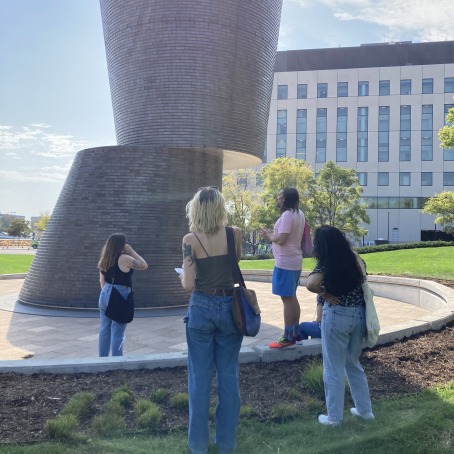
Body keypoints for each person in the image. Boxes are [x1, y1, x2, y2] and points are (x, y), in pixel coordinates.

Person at [180, 186, 243, 454]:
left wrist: (183, 275)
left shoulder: (190, 240)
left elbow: (188, 285)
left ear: (195, 208)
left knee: (199, 378)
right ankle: (226, 444)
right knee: (229, 377)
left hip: (202, 307)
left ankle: (198, 446)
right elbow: (234, 263)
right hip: (230, 306)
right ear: (220, 208)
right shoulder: (234, 234)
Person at [306, 225, 375, 426]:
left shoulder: (327, 263)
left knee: (333, 368)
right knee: (353, 364)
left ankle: (334, 418)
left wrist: (324, 294)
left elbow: (310, 283)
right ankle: (365, 411)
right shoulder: (356, 260)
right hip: (359, 316)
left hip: (337, 317)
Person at [260, 187, 305, 349]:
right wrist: (272, 234)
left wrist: (268, 236)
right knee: (292, 296)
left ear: (286, 198)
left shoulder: (287, 215)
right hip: (294, 261)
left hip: (285, 263)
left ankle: (287, 336)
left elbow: (281, 239)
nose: (278, 199)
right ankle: (295, 333)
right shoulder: (299, 214)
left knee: (286, 299)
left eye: (280, 196)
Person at [97, 233, 148, 357]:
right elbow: (144, 265)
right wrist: (132, 251)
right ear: (122, 245)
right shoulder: (124, 258)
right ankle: (116, 361)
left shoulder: (105, 258)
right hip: (120, 294)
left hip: (105, 293)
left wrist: (107, 294)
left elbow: (101, 280)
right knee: (118, 331)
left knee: (104, 329)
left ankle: (102, 359)